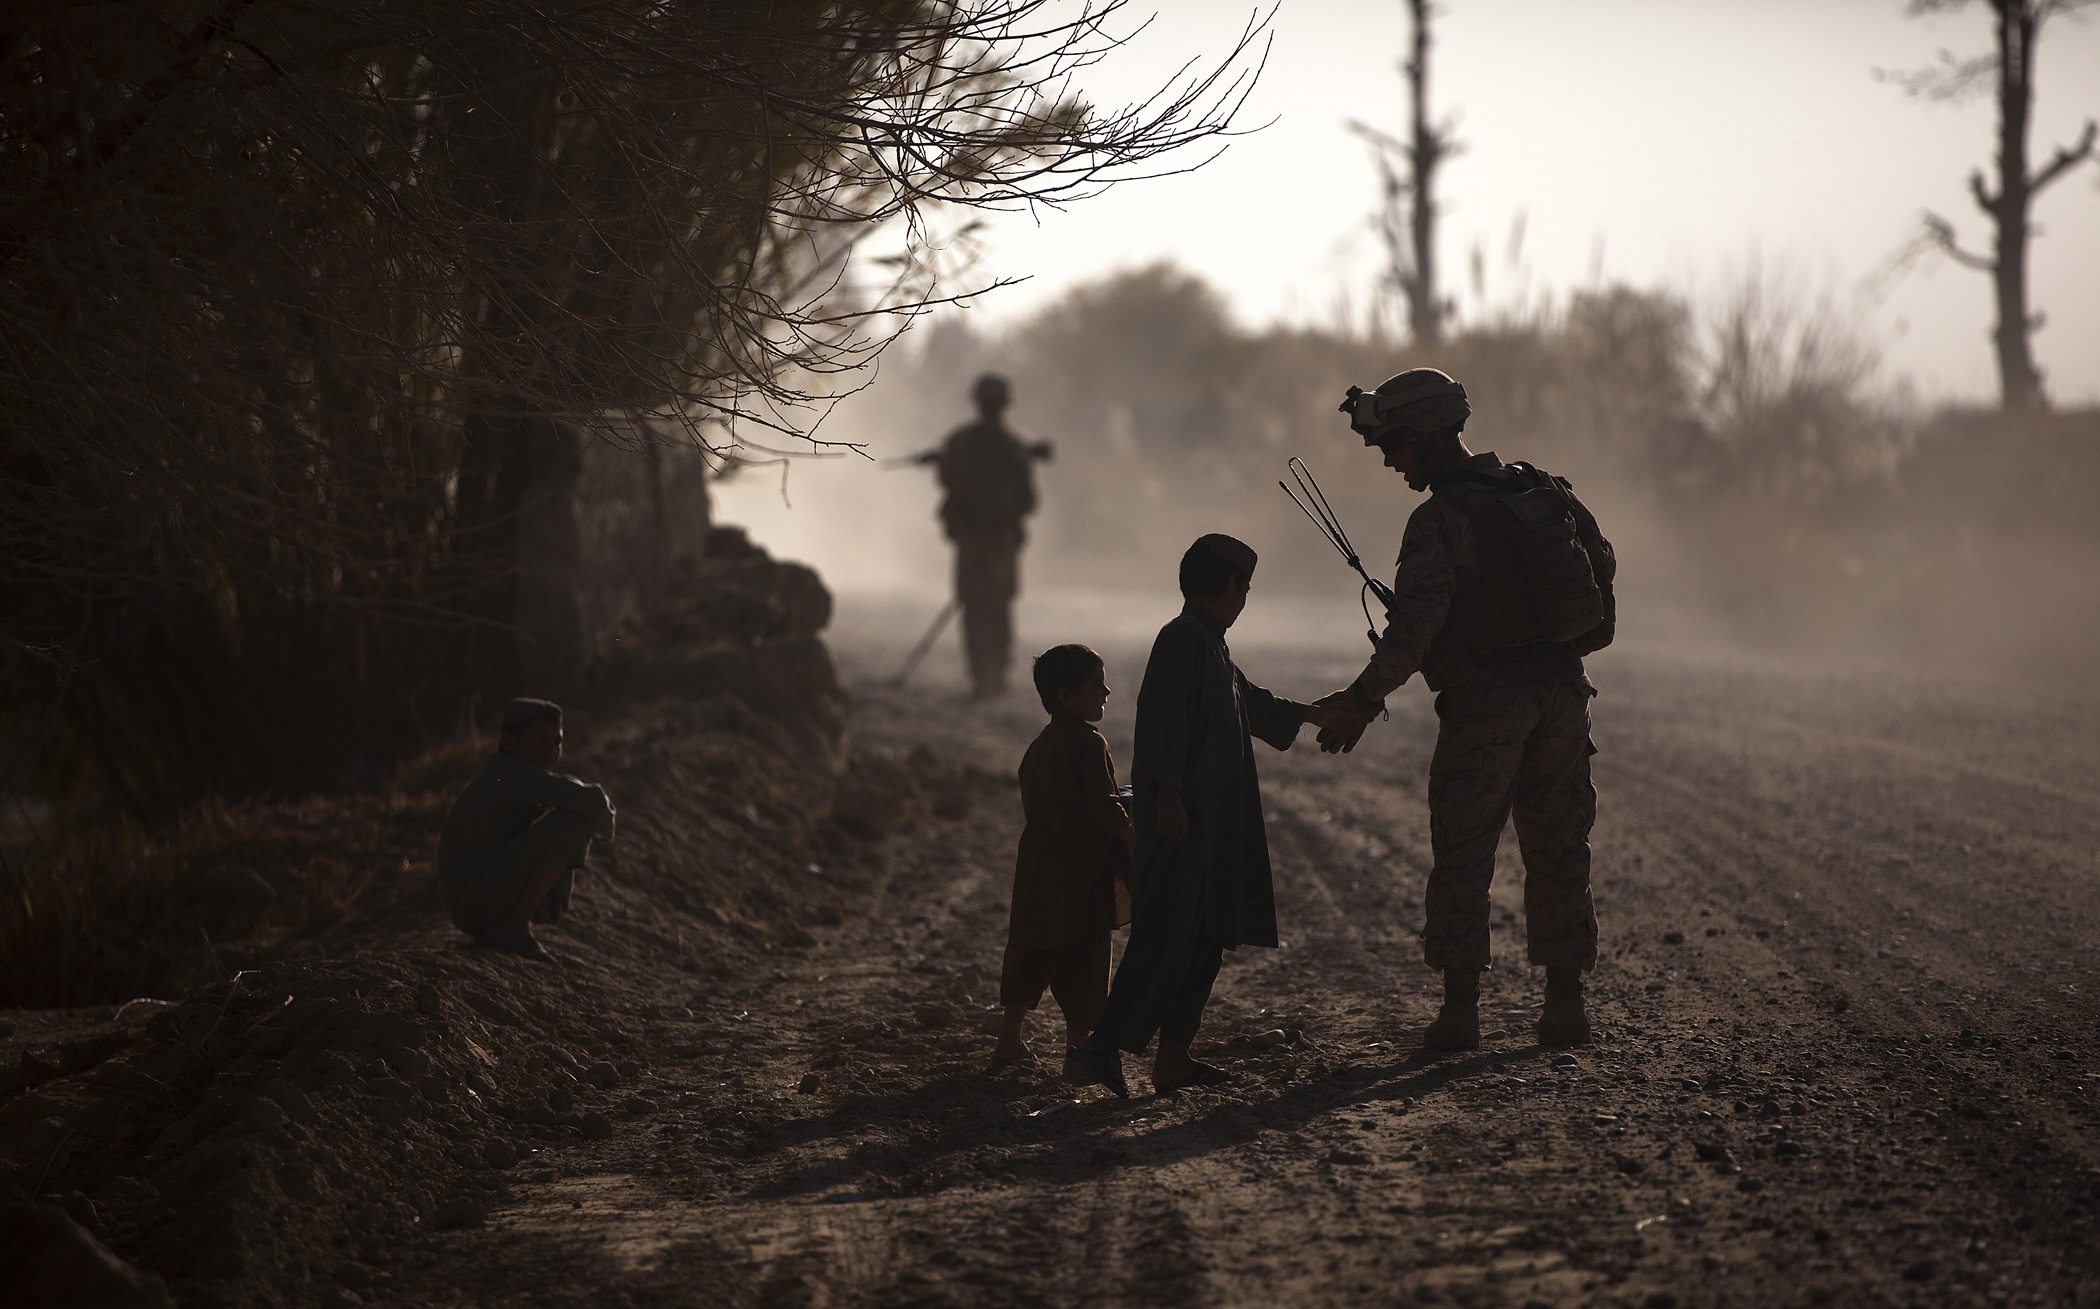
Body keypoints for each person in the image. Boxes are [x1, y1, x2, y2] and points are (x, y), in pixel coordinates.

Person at [1316, 368, 1616, 1050]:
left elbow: (1414, 629)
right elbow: (1602, 572)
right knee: (1560, 846)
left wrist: (1360, 701)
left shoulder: (1440, 519)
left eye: (1394, 444)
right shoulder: (1545, 490)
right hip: (1564, 690)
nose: (1391, 460)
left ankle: (1459, 1015)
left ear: (1423, 435)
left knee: (1462, 850)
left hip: (1487, 703)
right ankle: (1565, 1006)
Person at [1067, 536, 1351, 1097]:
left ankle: (1174, 1059)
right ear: (1230, 586)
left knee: (1204, 938)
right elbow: (1160, 723)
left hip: (1208, 828)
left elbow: (1256, 705)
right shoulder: (1182, 639)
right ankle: (1098, 1050)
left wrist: (1319, 713)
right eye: (1244, 588)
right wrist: (1167, 794)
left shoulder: (1211, 646)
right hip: (1180, 822)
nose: (1245, 599)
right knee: (1164, 937)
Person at [992, 644, 1136, 1069]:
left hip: (1036, 871)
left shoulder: (1038, 746)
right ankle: (1078, 1054)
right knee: (1084, 966)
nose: (1106, 692)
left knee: (1029, 955)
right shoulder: (1090, 743)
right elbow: (1104, 805)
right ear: (1066, 696)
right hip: (1080, 877)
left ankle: (1008, 1043)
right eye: (1096, 685)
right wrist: (1132, 838)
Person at [436, 698, 616, 961]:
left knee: (567, 821)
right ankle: (511, 930)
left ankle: (511, 928)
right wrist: (601, 829)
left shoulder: (511, 775)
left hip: (473, 899)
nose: (551, 751)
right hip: (471, 902)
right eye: (540, 740)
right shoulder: (507, 774)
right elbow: (593, 802)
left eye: (557, 742)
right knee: (571, 825)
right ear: (509, 742)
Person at [919, 373, 1049, 698]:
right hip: (1000, 540)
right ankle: (996, 676)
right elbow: (1029, 500)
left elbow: (947, 480)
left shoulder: (964, 441)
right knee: (997, 606)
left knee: (976, 605)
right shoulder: (1015, 445)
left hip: (974, 539)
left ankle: (983, 676)